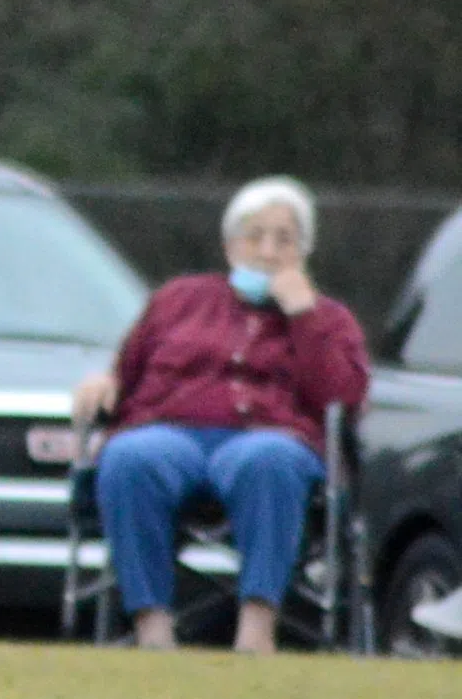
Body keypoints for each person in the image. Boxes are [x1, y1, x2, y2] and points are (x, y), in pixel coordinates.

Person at [71, 176, 368, 653]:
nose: (268, 252)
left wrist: (302, 317)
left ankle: (256, 627)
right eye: (255, 236)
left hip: (272, 438)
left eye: (284, 240)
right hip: (171, 432)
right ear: (231, 247)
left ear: (303, 253)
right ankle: (152, 626)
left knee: (267, 461)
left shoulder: (329, 320)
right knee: (130, 457)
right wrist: (105, 383)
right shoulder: (178, 300)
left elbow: (342, 398)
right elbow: (126, 372)